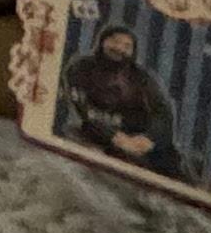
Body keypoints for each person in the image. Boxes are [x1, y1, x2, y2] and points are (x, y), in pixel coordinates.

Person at [60, 18, 183, 169]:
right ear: (102, 41)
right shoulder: (81, 67)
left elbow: (163, 113)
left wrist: (149, 140)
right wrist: (115, 137)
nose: (119, 48)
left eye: (127, 46)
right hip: (97, 136)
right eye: (115, 41)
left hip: (143, 144)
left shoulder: (142, 78)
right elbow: (83, 110)